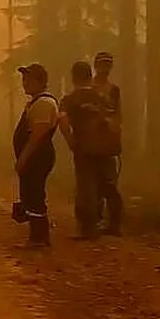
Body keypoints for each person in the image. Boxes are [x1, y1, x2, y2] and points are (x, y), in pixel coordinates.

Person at [58, 60, 124, 239]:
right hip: (107, 148)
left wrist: (70, 140)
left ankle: (88, 228)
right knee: (109, 185)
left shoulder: (70, 99)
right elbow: (115, 119)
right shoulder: (102, 96)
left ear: (73, 78)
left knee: (86, 187)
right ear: (89, 76)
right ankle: (115, 225)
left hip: (84, 148)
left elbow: (62, 119)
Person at [12, 63, 59, 247]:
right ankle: (37, 236)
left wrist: (24, 157)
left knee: (35, 194)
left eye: (29, 79)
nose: (24, 83)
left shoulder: (44, 103)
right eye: (24, 79)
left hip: (38, 155)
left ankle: (39, 237)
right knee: (31, 194)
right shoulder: (35, 102)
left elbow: (38, 135)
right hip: (35, 155)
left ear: (41, 81)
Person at [91, 50, 123, 235]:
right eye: (102, 64)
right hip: (91, 142)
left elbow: (118, 116)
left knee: (109, 184)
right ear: (96, 66)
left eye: (108, 64)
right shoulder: (89, 88)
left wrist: (114, 131)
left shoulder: (114, 90)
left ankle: (114, 223)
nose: (105, 68)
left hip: (108, 144)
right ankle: (94, 220)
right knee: (92, 184)